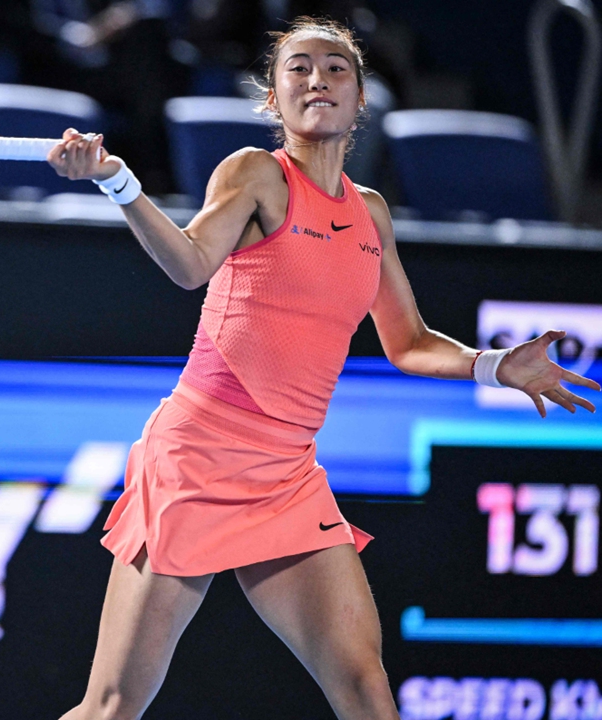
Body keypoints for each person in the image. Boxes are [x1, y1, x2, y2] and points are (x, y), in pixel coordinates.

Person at [46, 16, 600, 720]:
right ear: (274, 100)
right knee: (114, 706)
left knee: (367, 693)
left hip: (287, 476)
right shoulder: (254, 174)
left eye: (336, 67)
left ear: (361, 98)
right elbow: (188, 264)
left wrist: (494, 366)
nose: (318, 79)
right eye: (299, 67)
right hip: (197, 458)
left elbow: (410, 343)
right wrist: (117, 180)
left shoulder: (371, 214)